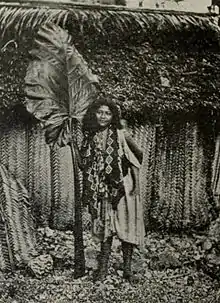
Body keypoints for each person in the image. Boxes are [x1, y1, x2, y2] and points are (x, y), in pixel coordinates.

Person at [80, 97, 145, 282]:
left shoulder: (121, 134)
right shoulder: (90, 136)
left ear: (113, 116)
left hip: (123, 186)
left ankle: (127, 270)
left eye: (107, 113)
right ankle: (103, 270)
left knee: (126, 227)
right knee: (106, 229)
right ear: (94, 113)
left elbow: (136, 158)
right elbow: (83, 164)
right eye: (100, 112)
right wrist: (72, 145)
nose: (103, 116)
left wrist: (136, 188)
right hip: (101, 189)